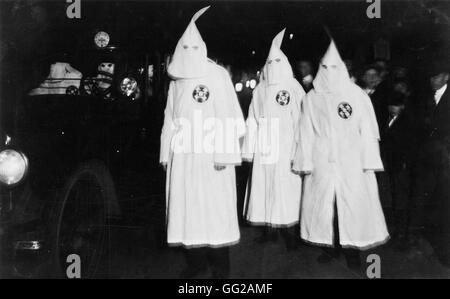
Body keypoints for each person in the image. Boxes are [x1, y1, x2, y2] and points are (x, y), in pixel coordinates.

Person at [159, 6, 245, 278]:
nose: (191, 52)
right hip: (183, 156)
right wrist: (165, 153)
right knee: (188, 212)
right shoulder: (177, 80)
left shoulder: (217, 75)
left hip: (212, 158)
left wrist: (224, 154)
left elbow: (231, 116)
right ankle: (196, 264)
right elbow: (170, 118)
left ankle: (221, 270)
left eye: (195, 47)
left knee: (215, 212)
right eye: (186, 47)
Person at [293, 40, 389, 271]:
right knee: (325, 206)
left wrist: (369, 160)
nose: (330, 73)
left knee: (352, 204)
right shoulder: (311, 98)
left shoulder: (356, 95)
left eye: (335, 68)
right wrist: (305, 161)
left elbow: (368, 131)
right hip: (322, 159)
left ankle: (352, 250)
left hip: (351, 160)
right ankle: (330, 246)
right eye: (325, 68)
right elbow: (305, 132)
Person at [242, 29, 305, 250]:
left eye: (277, 61)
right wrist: (249, 151)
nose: (273, 66)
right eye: (269, 62)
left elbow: (302, 120)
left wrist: (300, 150)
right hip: (264, 145)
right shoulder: (259, 89)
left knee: (287, 190)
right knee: (265, 187)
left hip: (287, 143)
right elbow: (252, 120)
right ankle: (269, 230)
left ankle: (290, 234)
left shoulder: (293, 86)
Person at [411, 59, 450, 268]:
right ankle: (429, 242)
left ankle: (445, 252)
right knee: (428, 203)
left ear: (446, 77)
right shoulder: (424, 98)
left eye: (436, 76)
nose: (432, 80)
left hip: (446, 160)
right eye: (430, 77)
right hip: (427, 160)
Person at [380, 90, 415, 242]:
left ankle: (401, 232)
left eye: (396, 105)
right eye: (390, 105)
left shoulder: (407, 122)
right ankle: (393, 228)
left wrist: (405, 163)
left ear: (402, 106)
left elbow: (409, 146)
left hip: (401, 165)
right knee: (390, 196)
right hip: (388, 163)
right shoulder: (387, 119)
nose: (392, 108)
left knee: (401, 198)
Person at [360, 65, 389, 129]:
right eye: (368, 75)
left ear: (379, 78)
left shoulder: (385, 94)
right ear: (363, 78)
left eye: (375, 75)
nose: (372, 78)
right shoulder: (358, 93)